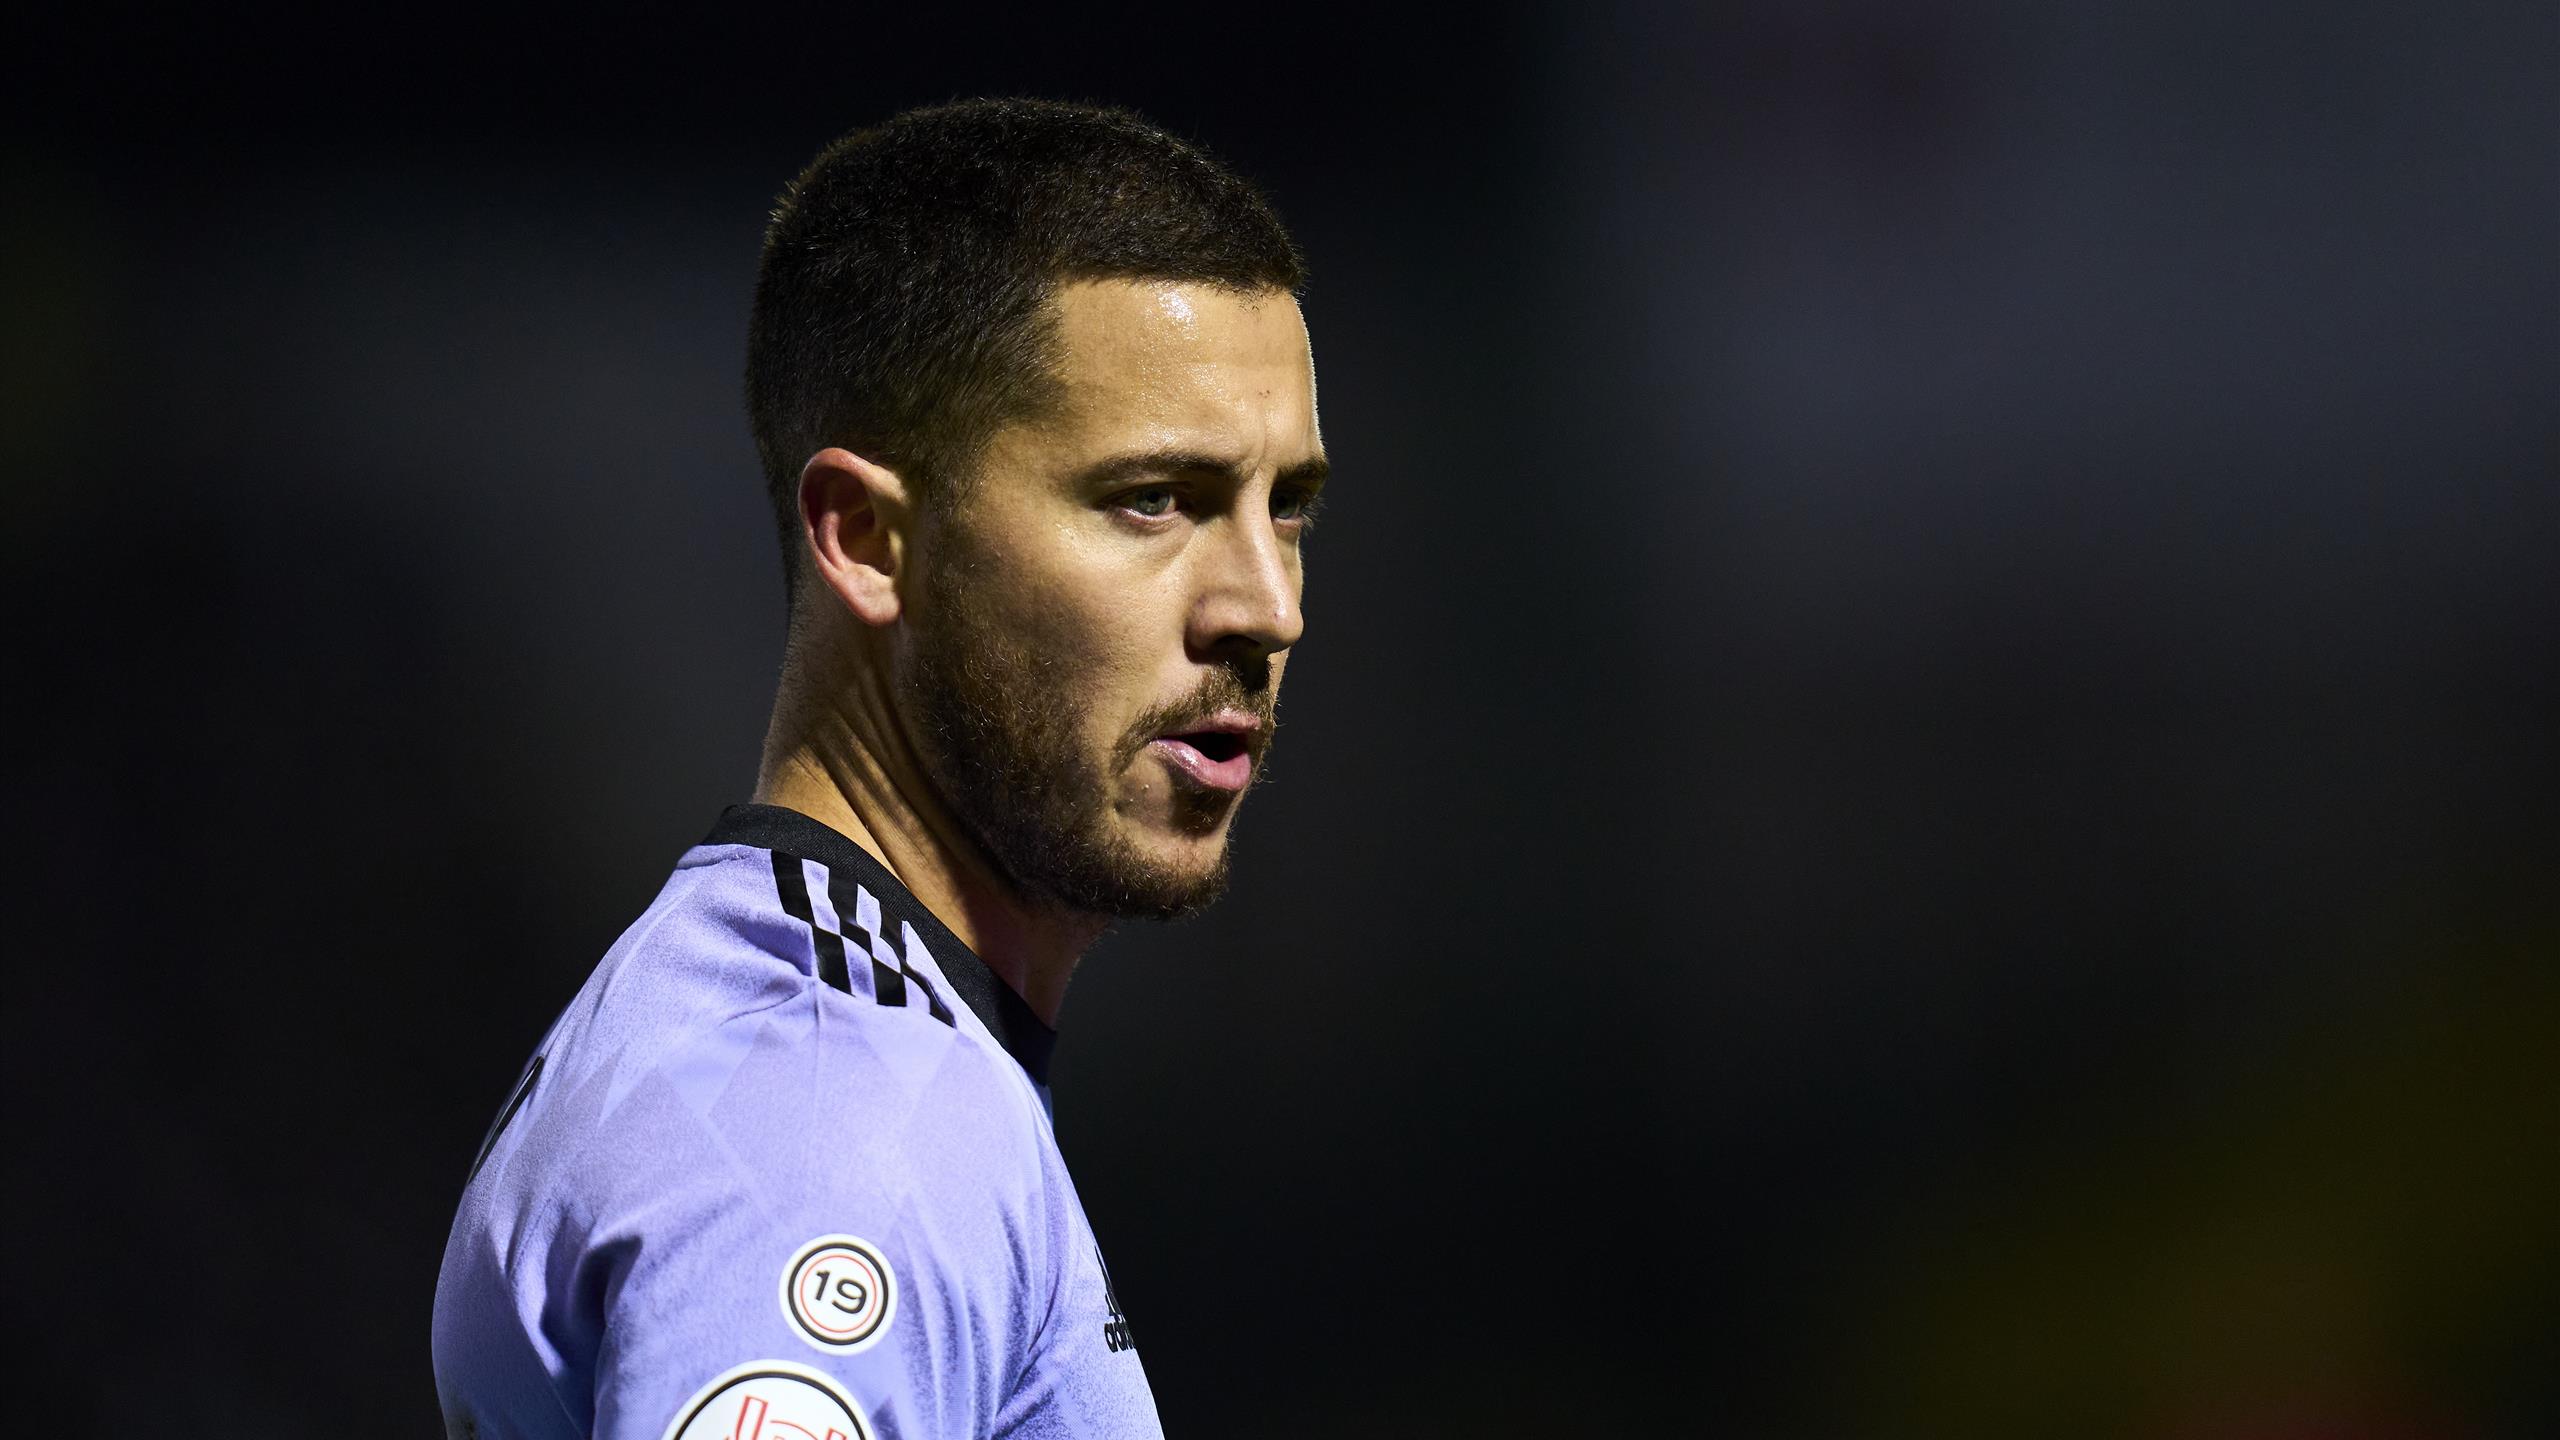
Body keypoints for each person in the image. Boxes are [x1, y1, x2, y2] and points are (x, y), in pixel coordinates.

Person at [430, 98, 1323, 1439]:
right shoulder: (830, 1125)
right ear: (865, 538)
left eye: (1287, 506)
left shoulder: (792, 1035)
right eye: (1154, 499)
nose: (1266, 606)